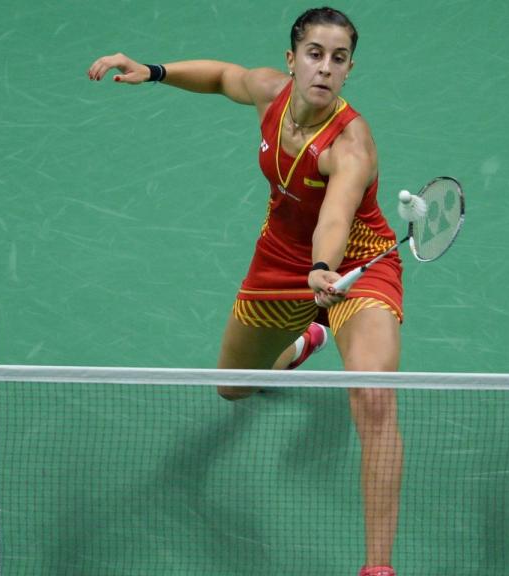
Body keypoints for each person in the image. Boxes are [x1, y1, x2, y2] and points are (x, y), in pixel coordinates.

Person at [88, 8, 402, 576]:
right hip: (280, 262)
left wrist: (326, 268)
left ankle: (378, 567)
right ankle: (305, 341)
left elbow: (334, 217)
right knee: (233, 388)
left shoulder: (351, 145)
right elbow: (222, 77)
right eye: (314, 53)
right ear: (292, 59)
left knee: (374, 398)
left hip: (354, 266)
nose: (324, 68)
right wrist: (152, 70)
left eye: (338, 58)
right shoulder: (270, 93)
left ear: (350, 69)